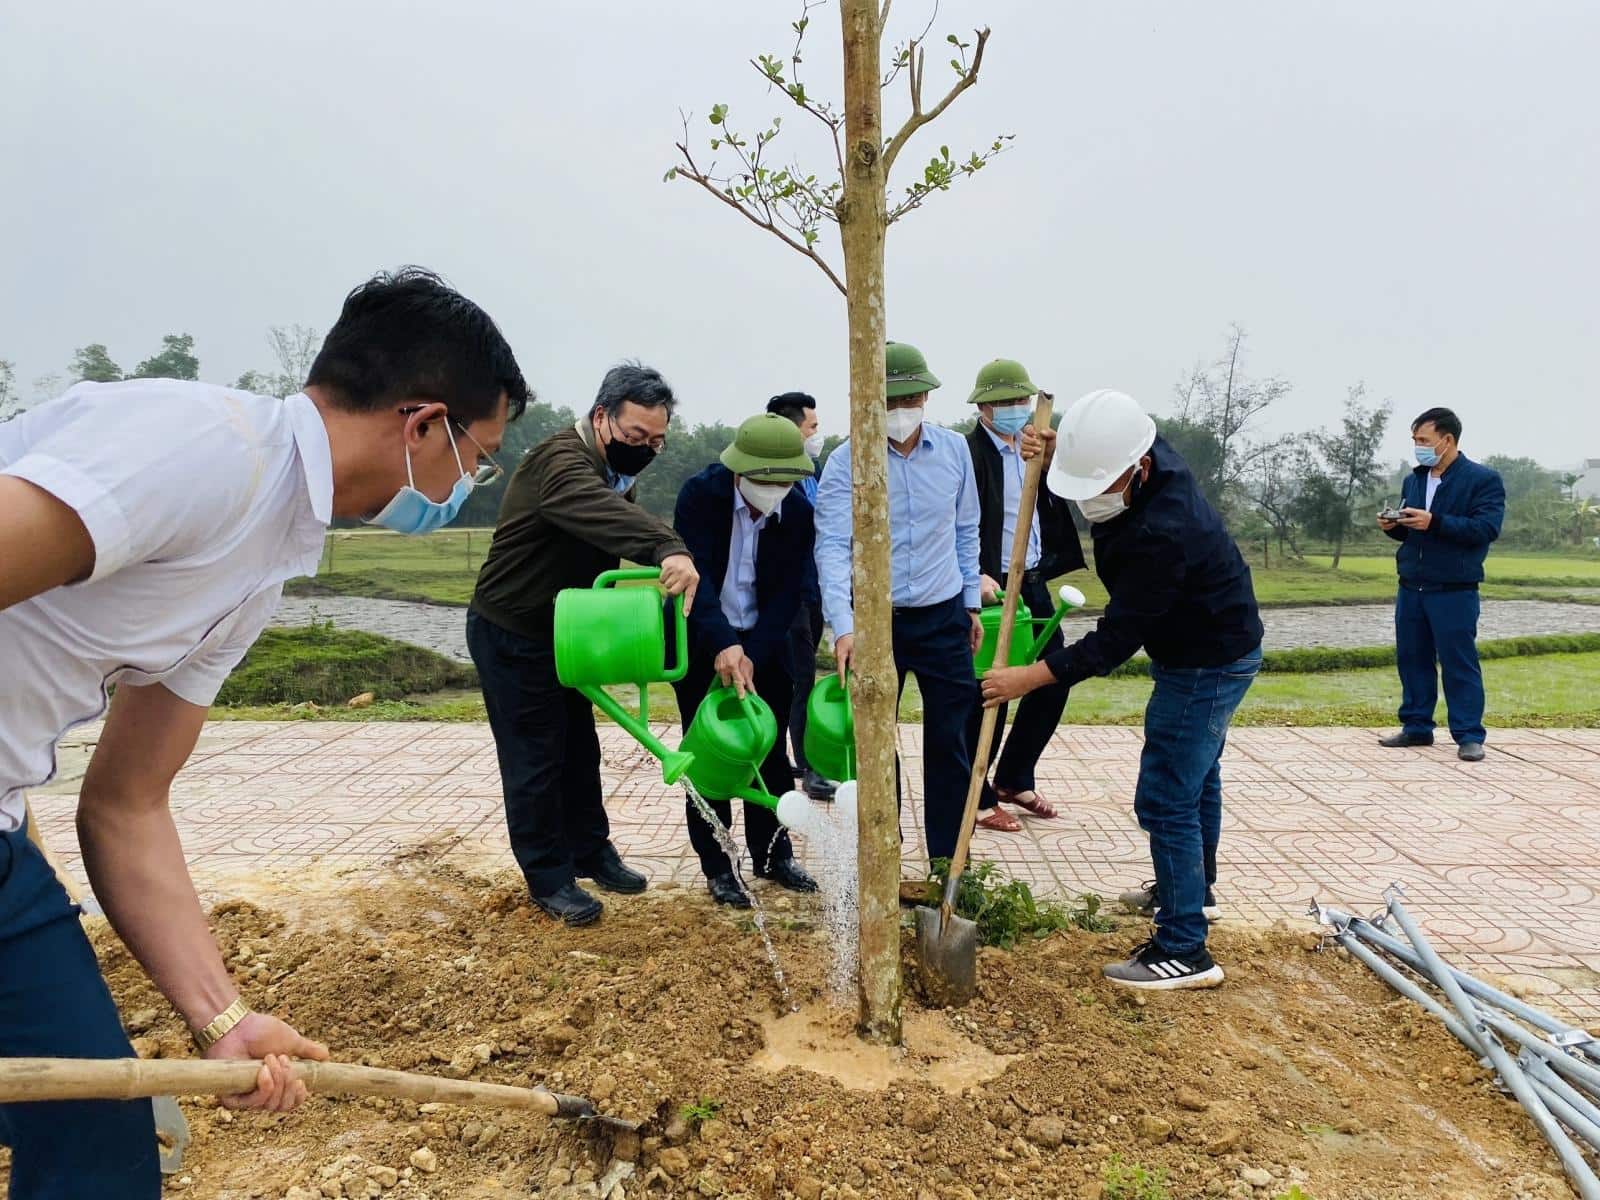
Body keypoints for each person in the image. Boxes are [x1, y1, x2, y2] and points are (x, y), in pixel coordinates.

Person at [0, 267, 525, 1195]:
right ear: (421, 424)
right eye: (478, 455)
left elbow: (127, 805)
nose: (469, 483)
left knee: (96, 1145)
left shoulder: (260, 562)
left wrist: (225, 1021)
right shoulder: (204, 451)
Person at [980, 390, 1263, 991]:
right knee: (1198, 776)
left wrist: (1023, 680)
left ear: (1139, 470)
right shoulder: (1145, 453)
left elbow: (1110, 644)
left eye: (1100, 487)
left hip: (1207, 661)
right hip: (1208, 644)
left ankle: (1185, 947)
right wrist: (1061, 449)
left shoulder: (1164, 533)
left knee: (1165, 795)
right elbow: (1101, 458)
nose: (1090, 502)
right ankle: (1194, 889)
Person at [469, 362, 699, 927]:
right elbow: (600, 513)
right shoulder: (561, 462)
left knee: (578, 748)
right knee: (535, 759)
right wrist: (666, 546)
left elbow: (612, 513)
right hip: (513, 632)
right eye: (635, 437)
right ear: (602, 418)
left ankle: (591, 850)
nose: (644, 449)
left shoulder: (615, 472)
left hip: (564, 634)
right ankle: (548, 876)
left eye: (656, 441)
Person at [813, 341, 983, 863]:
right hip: (875, 622)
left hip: (942, 614)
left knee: (951, 743)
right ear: (868, 401)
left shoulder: (955, 452)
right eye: (891, 401)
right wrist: (844, 627)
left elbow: (966, 529)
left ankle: (950, 867)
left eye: (913, 400)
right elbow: (834, 546)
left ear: (928, 397)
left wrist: (971, 602)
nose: (902, 412)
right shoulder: (846, 461)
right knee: (874, 744)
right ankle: (883, 858)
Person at [672, 414, 822, 905]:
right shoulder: (701, 497)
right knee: (710, 752)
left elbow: (787, 594)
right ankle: (718, 865)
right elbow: (698, 580)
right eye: (763, 480)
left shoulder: (797, 511)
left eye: (784, 481)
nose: (772, 490)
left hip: (765, 644)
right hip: (702, 636)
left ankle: (774, 855)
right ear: (739, 470)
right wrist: (722, 645)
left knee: (769, 750)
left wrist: (752, 653)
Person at [961, 358, 1086, 833]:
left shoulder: (1031, 449)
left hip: (1033, 580)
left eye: (1021, 400)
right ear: (984, 406)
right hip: (994, 587)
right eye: (1006, 402)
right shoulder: (968, 454)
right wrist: (973, 574)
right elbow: (955, 521)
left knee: (1052, 677)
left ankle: (1014, 775)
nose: (1016, 409)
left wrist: (1049, 455)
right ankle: (977, 793)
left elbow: (1060, 499)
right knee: (993, 689)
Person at [1377, 407, 1506, 762]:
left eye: (1424, 440)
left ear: (1447, 440)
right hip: (1411, 585)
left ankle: (1468, 735)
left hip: (1454, 589)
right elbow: (1412, 531)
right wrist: (1395, 527)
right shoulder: (1414, 479)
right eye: (1415, 440)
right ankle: (1416, 726)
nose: (1418, 447)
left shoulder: (1482, 480)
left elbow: (1485, 529)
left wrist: (1434, 521)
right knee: (1412, 658)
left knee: (1458, 662)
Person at [766, 391, 834, 801]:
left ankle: (793, 755)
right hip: (787, 592)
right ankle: (809, 766)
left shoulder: (813, 468)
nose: (816, 436)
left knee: (799, 675)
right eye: (812, 428)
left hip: (814, 587)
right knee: (800, 676)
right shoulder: (771, 473)